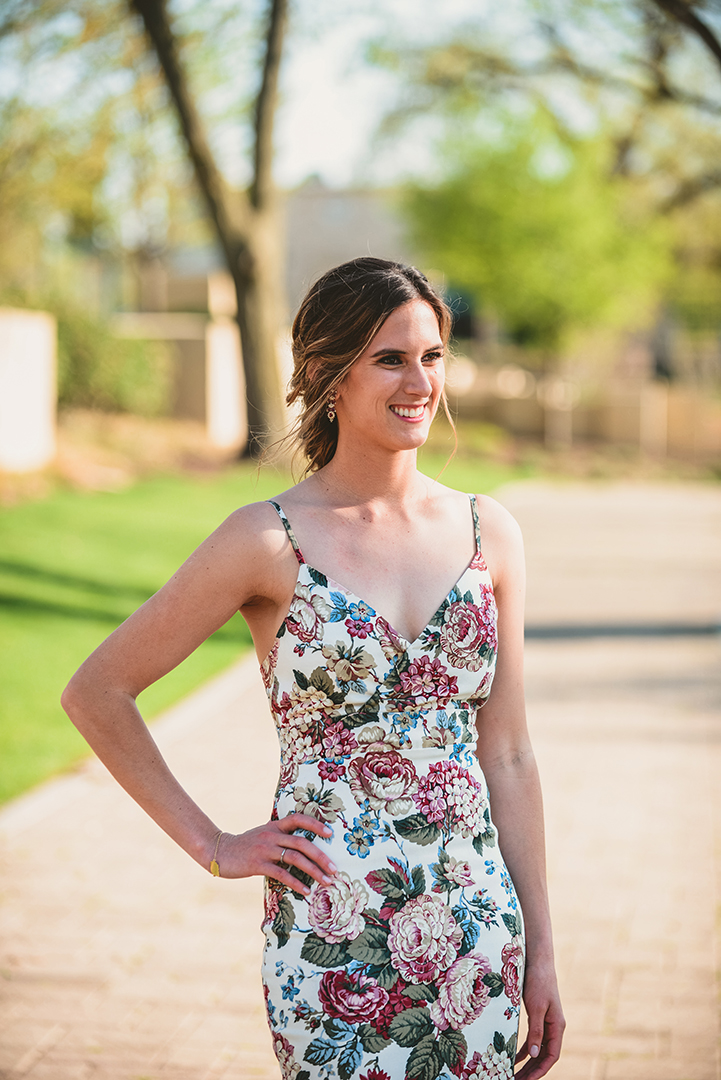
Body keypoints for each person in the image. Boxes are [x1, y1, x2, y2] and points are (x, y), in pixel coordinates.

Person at [62, 257, 564, 1080]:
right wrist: (214, 845)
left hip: (477, 926)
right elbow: (97, 691)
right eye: (390, 358)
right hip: (334, 932)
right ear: (329, 373)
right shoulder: (265, 540)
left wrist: (541, 948)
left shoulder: (489, 533)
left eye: (432, 355)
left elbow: (506, 753)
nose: (419, 382)